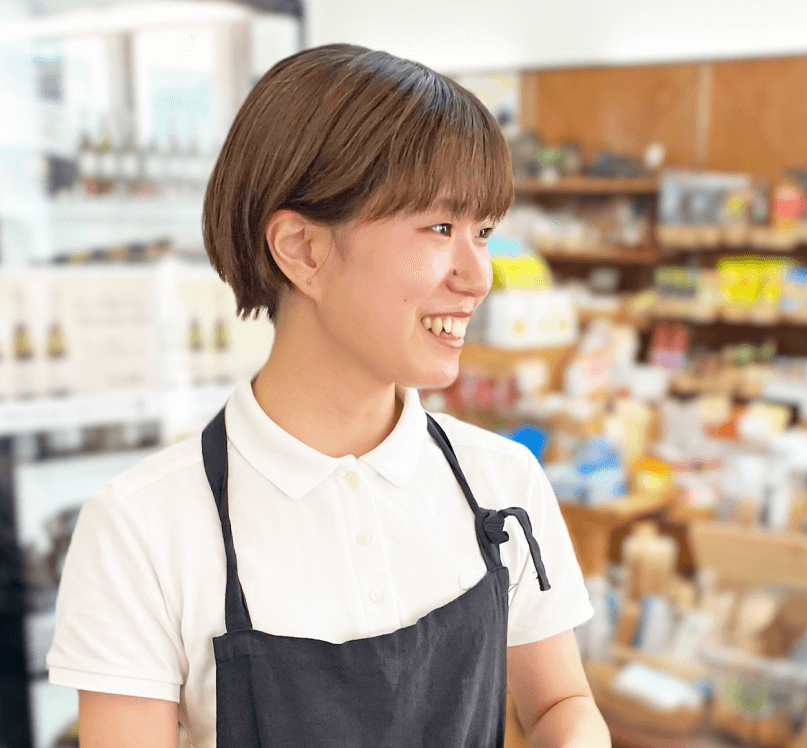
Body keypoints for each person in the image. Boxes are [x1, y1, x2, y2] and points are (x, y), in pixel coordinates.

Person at [47, 44, 610, 747]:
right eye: (441, 228)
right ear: (303, 251)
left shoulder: (502, 482)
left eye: (484, 232)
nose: (478, 274)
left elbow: (561, 705)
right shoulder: (142, 527)